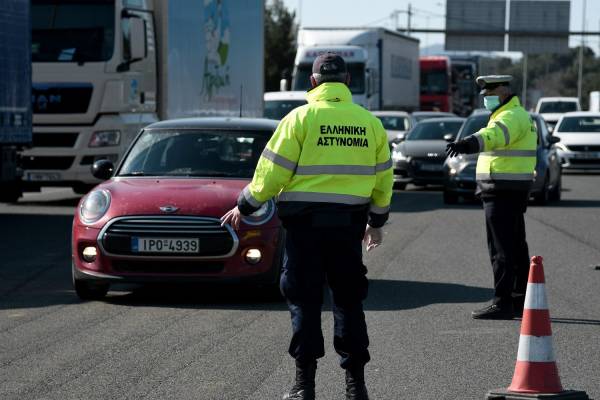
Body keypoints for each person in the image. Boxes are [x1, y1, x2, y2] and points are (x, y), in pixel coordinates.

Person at [221, 53, 393, 400]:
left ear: (313, 82)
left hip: (304, 230)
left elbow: (273, 172)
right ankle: (356, 388)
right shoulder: (370, 123)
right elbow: (383, 178)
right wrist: (376, 222)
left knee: (305, 301)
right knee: (348, 302)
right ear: (346, 81)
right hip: (348, 228)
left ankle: (304, 386)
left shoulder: (299, 118)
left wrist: (246, 204)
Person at [446, 75, 537, 320]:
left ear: (505, 91)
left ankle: (502, 303)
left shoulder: (510, 116)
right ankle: (518, 301)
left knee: (501, 250)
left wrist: (468, 143)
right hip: (510, 188)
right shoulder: (514, 114)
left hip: (502, 189)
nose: (486, 99)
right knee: (516, 247)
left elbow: (494, 136)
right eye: (484, 95)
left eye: (490, 94)